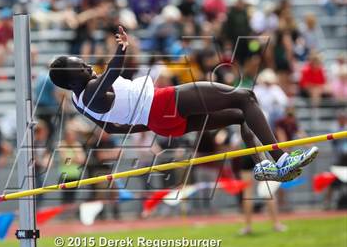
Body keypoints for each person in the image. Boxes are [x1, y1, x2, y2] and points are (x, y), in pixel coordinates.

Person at [49, 26, 319, 183]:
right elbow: (112, 70)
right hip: (162, 102)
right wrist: (122, 47)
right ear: (73, 81)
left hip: (160, 121)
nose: (88, 67)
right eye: (83, 68)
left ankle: (261, 165)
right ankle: (281, 159)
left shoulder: (78, 101)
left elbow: (112, 129)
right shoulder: (91, 91)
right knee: (246, 97)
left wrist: (146, 122)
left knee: (239, 115)